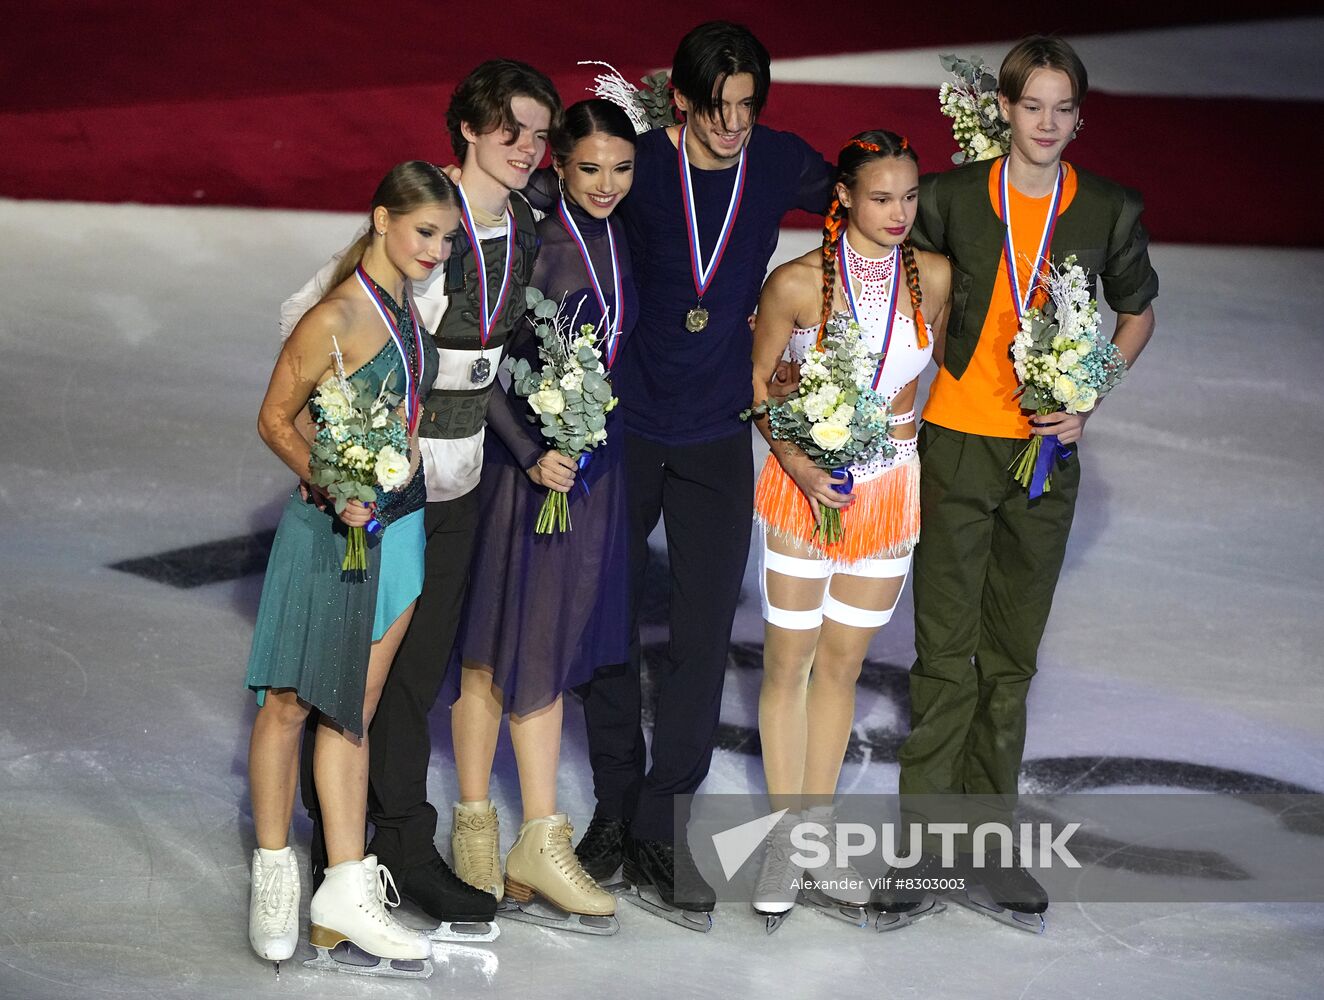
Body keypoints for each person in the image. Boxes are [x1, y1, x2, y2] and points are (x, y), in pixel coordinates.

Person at [560, 21, 835, 930]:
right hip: (627, 420)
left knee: (705, 628)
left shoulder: (781, 160)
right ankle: (613, 805)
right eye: (717, 108)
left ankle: (665, 819)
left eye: (748, 107)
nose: (733, 125)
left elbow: (872, 194)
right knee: (605, 613)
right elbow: (561, 212)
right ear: (680, 98)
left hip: (720, 427)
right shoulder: (636, 165)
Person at [280, 59, 562, 941]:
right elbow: (318, 312)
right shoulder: (426, 221)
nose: (527, 148)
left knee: (416, 676)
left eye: (538, 133)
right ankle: (345, 851)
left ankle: (395, 844)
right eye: (510, 129)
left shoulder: (527, 220)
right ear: (469, 130)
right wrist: (339, 458)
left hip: (463, 479)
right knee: (355, 676)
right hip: (390, 490)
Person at [882, 35, 1158, 931]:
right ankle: (924, 847)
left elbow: (1137, 312)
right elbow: (902, 289)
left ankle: (987, 847)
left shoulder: (1109, 209)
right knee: (944, 656)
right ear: (1001, 109)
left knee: (1009, 663)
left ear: (1080, 117)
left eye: (1062, 108)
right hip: (958, 441)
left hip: (1046, 458)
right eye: (1030, 104)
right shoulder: (958, 197)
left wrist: (1090, 396)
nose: (1046, 122)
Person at [244, 161, 459, 979]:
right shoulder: (336, 316)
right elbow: (274, 418)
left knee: (354, 709)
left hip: (398, 531)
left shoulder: (404, 302)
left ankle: (342, 885)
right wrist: (332, 484)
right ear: (381, 219)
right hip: (329, 536)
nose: (435, 249)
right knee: (293, 702)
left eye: (444, 236)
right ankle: (274, 872)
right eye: (423, 233)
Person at [443, 98, 639, 935]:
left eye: (622, 169)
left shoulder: (622, 236)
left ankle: (537, 837)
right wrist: (529, 451)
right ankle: (477, 830)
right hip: (521, 477)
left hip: (589, 474)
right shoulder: (533, 240)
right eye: (589, 168)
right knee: (491, 646)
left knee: (551, 648)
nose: (605, 184)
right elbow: (480, 364)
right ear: (559, 163)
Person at [747, 131, 949, 931]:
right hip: (805, 490)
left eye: (908, 197)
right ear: (843, 198)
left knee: (841, 668)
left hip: (891, 494)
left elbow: (945, 375)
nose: (898, 213)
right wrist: (798, 464)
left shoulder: (933, 278)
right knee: (786, 666)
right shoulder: (795, 285)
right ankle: (781, 842)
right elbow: (759, 388)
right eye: (880, 197)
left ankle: (811, 837)